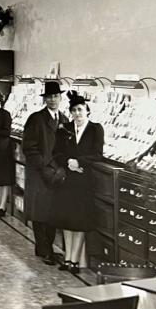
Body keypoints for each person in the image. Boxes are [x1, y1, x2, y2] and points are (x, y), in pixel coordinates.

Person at [49, 91, 104, 274]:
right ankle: (68, 258)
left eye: (81, 110)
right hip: (68, 179)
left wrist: (79, 162)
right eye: (74, 110)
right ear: (70, 112)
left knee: (79, 221)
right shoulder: (64, 129)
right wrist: (68, 162)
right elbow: (56, 152)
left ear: (87, 111)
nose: (77, 114)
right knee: (67, 220)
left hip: (84, 180)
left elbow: (97, 154)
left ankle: (75, 259)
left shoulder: (95, 129)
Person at [22, 81, 69, 265]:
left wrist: (60, 169)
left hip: (56, 173)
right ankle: (44, 249)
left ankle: (47, 248)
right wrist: (44, 168)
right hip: (40, 173)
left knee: (52, 213)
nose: (52, 100)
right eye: (49, 97)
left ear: (60, 98)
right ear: (45, 99)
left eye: (56, 96)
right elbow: (29, 148)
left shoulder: (64, 120)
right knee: (40, 213)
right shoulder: (36, 119)